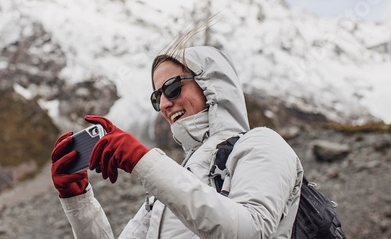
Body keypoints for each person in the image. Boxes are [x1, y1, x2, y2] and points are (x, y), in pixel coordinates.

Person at [51, 46, 304, 238]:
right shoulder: (173, 184)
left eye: (172, 88)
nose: (163, 104)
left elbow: (254, 231)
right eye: (156, 96)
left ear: (211, 83)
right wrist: (77, 199)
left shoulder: (263, 143)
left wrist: (142, 161)